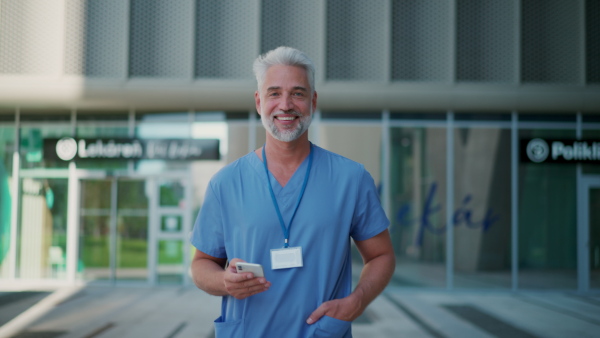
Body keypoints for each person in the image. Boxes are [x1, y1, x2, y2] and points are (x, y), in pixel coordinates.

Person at [190, 46, 395, 337]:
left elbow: (381, 255)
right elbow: (200, 264)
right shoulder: (226, 183)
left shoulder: (351, 178)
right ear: (259, 102)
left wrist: (357, 302)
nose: (285, 105)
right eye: (274, 93)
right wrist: (224, 281)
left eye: (297, 93)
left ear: (313, 101)